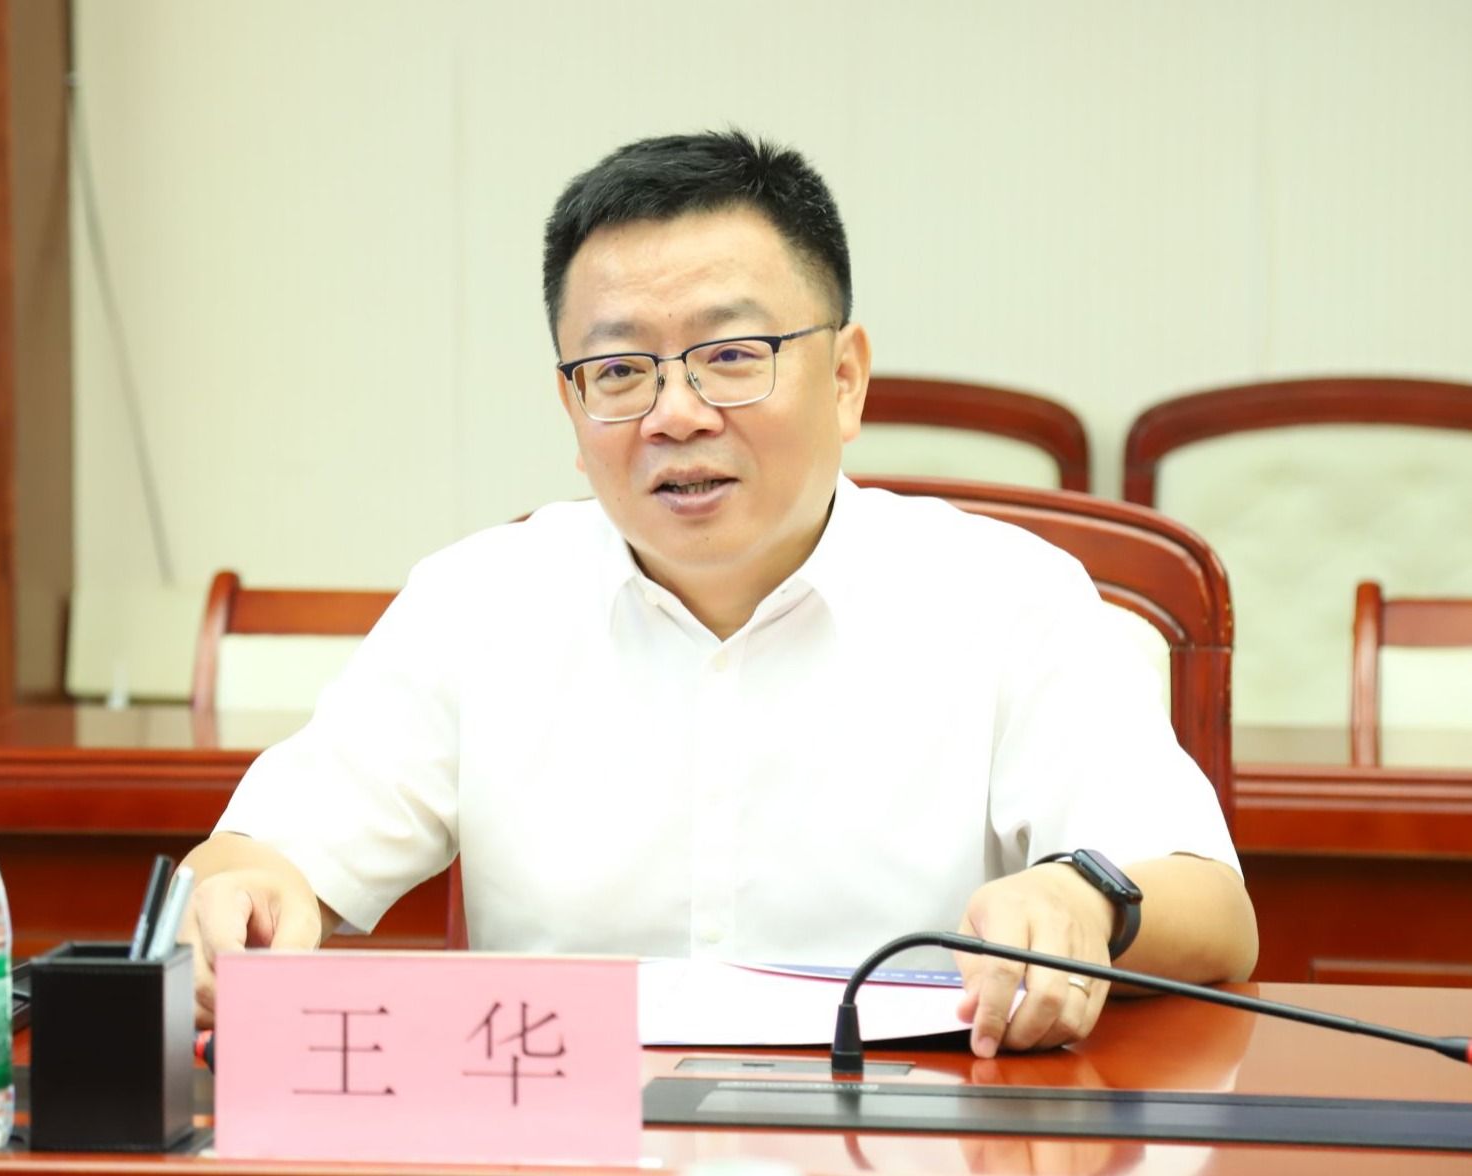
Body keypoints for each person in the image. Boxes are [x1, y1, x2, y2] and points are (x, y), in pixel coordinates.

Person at [182, 130, 1257, 1057]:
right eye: (619, 371)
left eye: (732, 356)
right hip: (572, 1133)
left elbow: (1212, 911)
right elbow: (267, 855)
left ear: (845, 379)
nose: (676, 413)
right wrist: (241, 895)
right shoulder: (479, 602)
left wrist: (1079, 899)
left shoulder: (1004, 596)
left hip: (914, 1131)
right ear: (571, 410)